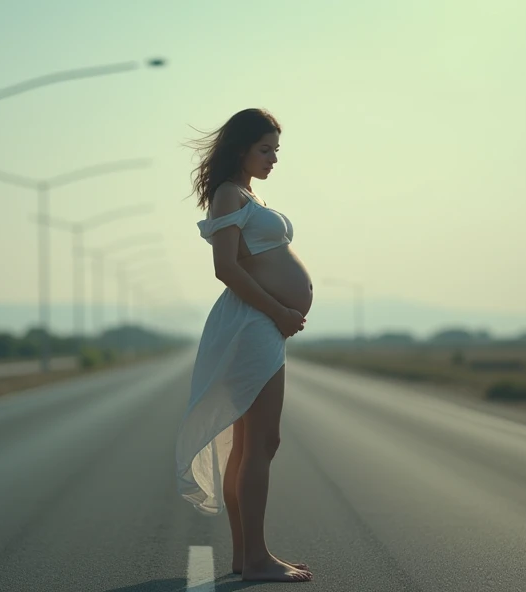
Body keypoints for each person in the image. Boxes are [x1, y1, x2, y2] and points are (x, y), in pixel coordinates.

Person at [175, 108, 314, 583]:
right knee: (261, 444)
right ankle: (256, 559)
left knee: (249, 446)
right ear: (241, 149)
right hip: (253, 323)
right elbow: (226, 268)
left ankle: (244, 557)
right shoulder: (229, 194)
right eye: (265, 149)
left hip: (261, 324)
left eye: (276, 149)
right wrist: (278, 311)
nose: (274, 158)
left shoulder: (246, 193)